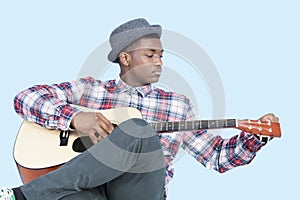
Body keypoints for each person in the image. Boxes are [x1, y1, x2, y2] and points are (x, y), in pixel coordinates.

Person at [0, 18, 279, 200]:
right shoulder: (92, 90)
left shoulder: (177, 105)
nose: (159, 62)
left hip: (138, 192)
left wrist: (256, 137)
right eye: (150, 55)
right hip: (85, 189)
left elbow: (217, 157)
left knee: (138, 128)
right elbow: (25, 98)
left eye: (161, 55)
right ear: (125, 58)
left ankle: (23, 197)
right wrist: (75, 117)